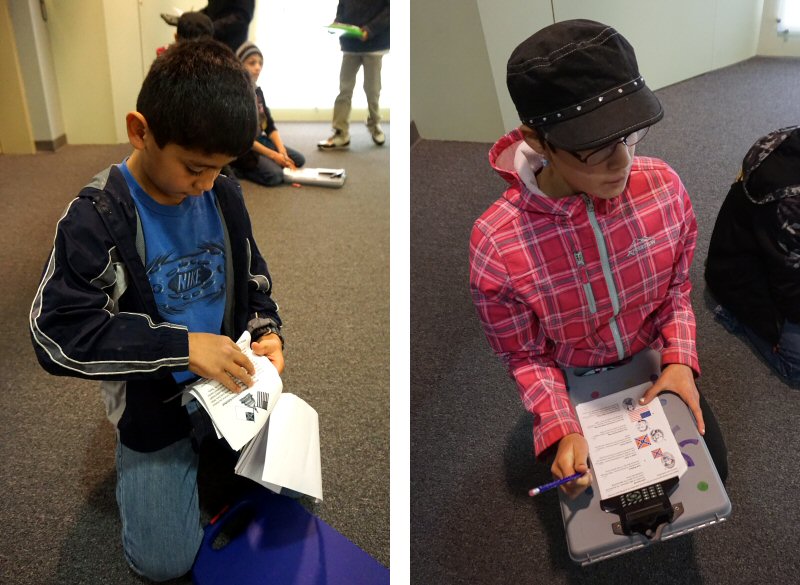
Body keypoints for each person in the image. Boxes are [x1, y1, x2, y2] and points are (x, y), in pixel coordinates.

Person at [29, 39, 285, 582]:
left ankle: (212, 459)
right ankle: (155, 468)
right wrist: (181, 347)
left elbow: (254, 274)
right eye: (195, 168)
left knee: (282, 491)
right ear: (140, 131)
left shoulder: (223, 193)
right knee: (165, 563)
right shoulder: (97, 216)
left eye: (220, 169)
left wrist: (266, 330)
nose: (207, 185)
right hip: (155, 402)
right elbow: (56, 332)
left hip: (229, 384)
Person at [469, 20, 728, 500]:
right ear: (538, 140)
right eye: (594, 148)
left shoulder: (664, 187)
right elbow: (523, 354)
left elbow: (676, 292)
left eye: (631, 135)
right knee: (592, 496)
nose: (623, 162)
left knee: (705, 482)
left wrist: (680, 361)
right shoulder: (497, 245)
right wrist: (559, 422)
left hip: (653, 361)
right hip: (573, 377)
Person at [706, 126, 800, 382]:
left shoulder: (783, 137)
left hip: (777, 257)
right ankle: (734, 316)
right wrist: (771, 328)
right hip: (747, 279)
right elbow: (791, 291)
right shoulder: (790, 201)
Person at [231, 41, 306, 187]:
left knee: (298, 159)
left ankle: (272, 160)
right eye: (252, 63)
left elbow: (268, 125)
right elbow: (242, 137)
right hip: (244, 148)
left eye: (260, 63)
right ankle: (238, 169)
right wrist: (273, 155)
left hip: (260, 140)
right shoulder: (235, 94)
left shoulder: (258, 92)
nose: (258, 68)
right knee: (275, 176)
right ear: (239, 64)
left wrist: (281, 150)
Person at [317, 0, 389, 150]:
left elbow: (390, 11)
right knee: (345, 89)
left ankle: (374, 124)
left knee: (372, 90)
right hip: (350, 45)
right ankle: (340, 132)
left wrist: (371, 29)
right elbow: (342, 7)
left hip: (374, 45)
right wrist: (337, 23)